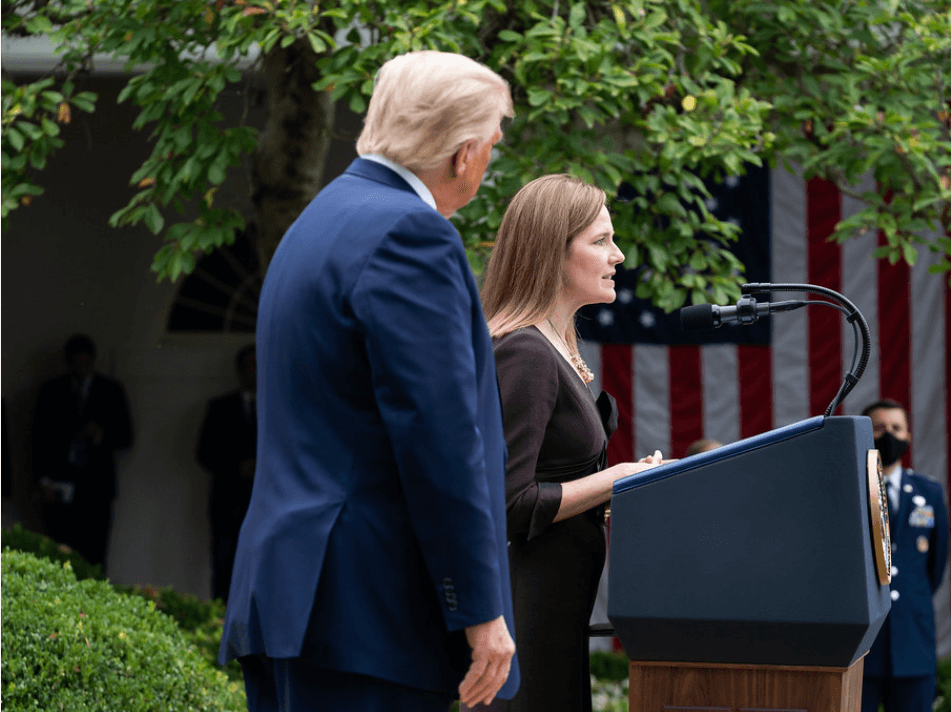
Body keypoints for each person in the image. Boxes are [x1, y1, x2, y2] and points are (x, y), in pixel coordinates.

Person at [218, 51, 518, 712]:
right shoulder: (412, 236)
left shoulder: (319, 221)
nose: (489, 161)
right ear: (462, 154)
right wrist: (480, 608)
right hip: (366, 615)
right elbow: (440, 438)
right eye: (492, 146)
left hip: (294, 596)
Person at [477, 174, 662, 712]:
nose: (619, 255)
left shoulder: (558, 347)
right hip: (525, 613)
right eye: (601, 241)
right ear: (552, 252)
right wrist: (620, 477)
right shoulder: (527, 353)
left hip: (557, 611)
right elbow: (510, 504)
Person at [860, 398, 949, 712]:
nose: (889, 435)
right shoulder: (850, 490)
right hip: (862, 642)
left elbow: (935, 566)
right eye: (879, 428)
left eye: (896, 428)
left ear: (909, 436)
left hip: (912, 638)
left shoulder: (930, 493)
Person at [31, 334, 132, 571]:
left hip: (96, 487)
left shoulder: (110, 390)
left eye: (85, 363)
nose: (81, 369)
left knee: (95, 557)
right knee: (59, 556)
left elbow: (126, 435)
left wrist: (100, 435)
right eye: (76, 363)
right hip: (60, 484)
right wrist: (42, 480)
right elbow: (38, 439)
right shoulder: (52, 391)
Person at [197, 344, 257, 602]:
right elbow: (204, 453)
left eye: (258, 365)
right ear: (240, 370)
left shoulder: (276, 407)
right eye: (249, 366)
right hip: (227, 503)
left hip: (263, 503)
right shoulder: (220, 407)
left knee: (259, 572)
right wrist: (236, 467)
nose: (253, 372)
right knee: (224, 568)